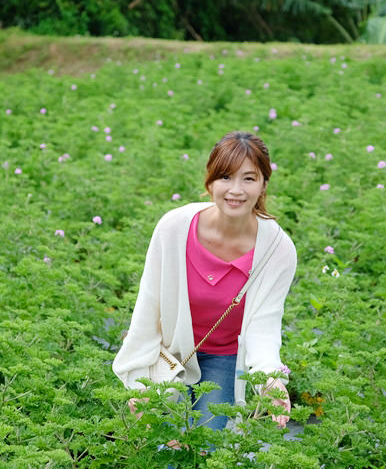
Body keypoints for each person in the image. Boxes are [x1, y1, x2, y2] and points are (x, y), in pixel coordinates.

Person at [112, 131, 297, 434]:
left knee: (208, 444)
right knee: (164, 448)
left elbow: (265, 326)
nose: (235, 190)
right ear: (209, 181)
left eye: (249, 179)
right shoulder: (174, 228)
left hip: (224, 356)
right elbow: (149, 306)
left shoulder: (277, 249)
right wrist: (139, 379)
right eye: (225, 176)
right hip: (170, 351)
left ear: (264, 184)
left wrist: (270, 379)